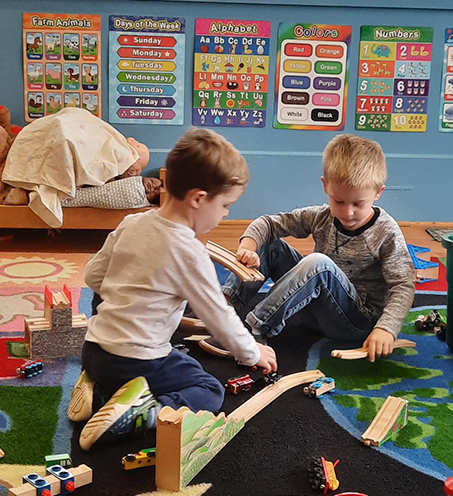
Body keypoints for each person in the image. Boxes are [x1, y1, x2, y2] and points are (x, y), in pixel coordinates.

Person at [68, 128, 278, 451]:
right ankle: (143, 411)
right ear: (198, 199)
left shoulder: (132, 222)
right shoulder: (188, 251)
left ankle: (98, 388)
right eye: (225, 206)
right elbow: (218, 317)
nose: (225, 215)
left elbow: (94, 277)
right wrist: (252, 352)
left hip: (94, 351)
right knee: (208, 388)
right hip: (135, 362)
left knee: (157, 335)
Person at [219, 133, 415, 362]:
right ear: (325, 186)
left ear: (378, 193)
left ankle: (257, 329)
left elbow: (403, 284)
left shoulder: (385, 231)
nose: (347, 212)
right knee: (272, 247)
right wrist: (248, 248)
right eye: (339, 201)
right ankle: (224, 307)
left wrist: (386, 329)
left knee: (318, 264)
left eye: (358, 204)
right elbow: (268, 223)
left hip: (357, 322)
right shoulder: (322, 216)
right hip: (315, 311)